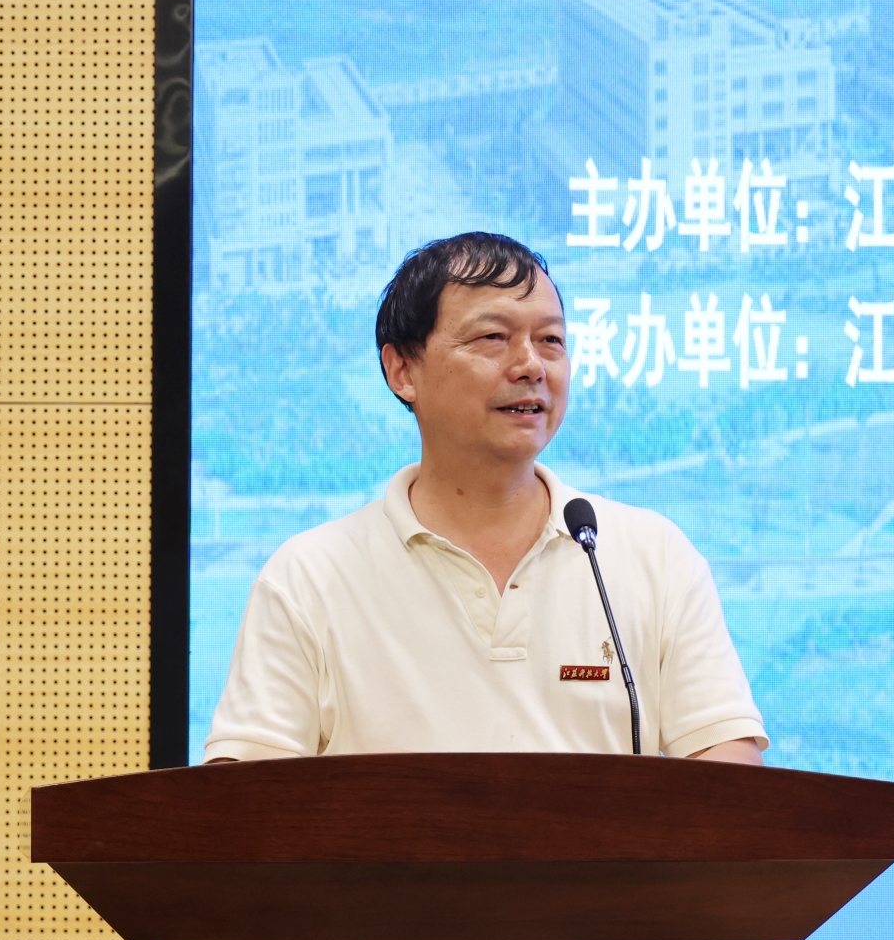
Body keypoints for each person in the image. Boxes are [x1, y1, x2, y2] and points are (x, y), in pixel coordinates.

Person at [202, 231, 767, 764]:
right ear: (402, 369)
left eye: (551, 341)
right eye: (493, 338)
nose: (531, 366)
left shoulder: (652, 556)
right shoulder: (309, 577)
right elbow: (246, 803)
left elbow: (729, 779)